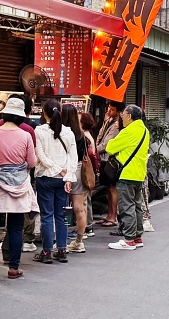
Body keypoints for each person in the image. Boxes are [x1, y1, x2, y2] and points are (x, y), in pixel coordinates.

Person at [0, 96, 38, 278]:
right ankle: (14, 267)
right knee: (15, 228)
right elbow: (32, 162)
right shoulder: (26, 136)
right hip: (20, 185)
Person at [33, 100, 74, 264]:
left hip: (45, 178)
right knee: (62, 216)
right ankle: (62, 249)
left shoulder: (39, 131)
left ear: (44, 113)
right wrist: (67, 175)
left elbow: (41, 157)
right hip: (63, 180)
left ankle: (47, 251)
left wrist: (57, 169)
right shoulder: (69, 132)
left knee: (47, 216)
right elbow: (73, 157)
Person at [105, 105, 150, 251]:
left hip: (126, 174)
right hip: (139, 174)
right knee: (137, 206)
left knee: (127, 207)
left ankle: (129, 239)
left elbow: (110, 147)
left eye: (123, 115)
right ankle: (137, 237)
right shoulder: (144, 130)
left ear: (129, 116)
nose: (122, 118)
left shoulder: (129, 131)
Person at [62, 106, 94, 252]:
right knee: (79, 208)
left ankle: (59, 243)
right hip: (78, 170)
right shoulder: (82, 135)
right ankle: (79, 241)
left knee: (59, 208)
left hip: (61, 170)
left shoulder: (60, 133)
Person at [95, 102, 123, 226]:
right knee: (108, 188)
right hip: (104, 159)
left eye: (112, 109)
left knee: (112, 188)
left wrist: (95, 150)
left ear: (118, 111)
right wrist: (105, 121)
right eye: (108, 108)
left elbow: (106, 143)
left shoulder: (117, 125)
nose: (109, 111)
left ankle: (113, 216)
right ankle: (109, 215)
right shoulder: (109, 121)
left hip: (110, 159)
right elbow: (101, 135)